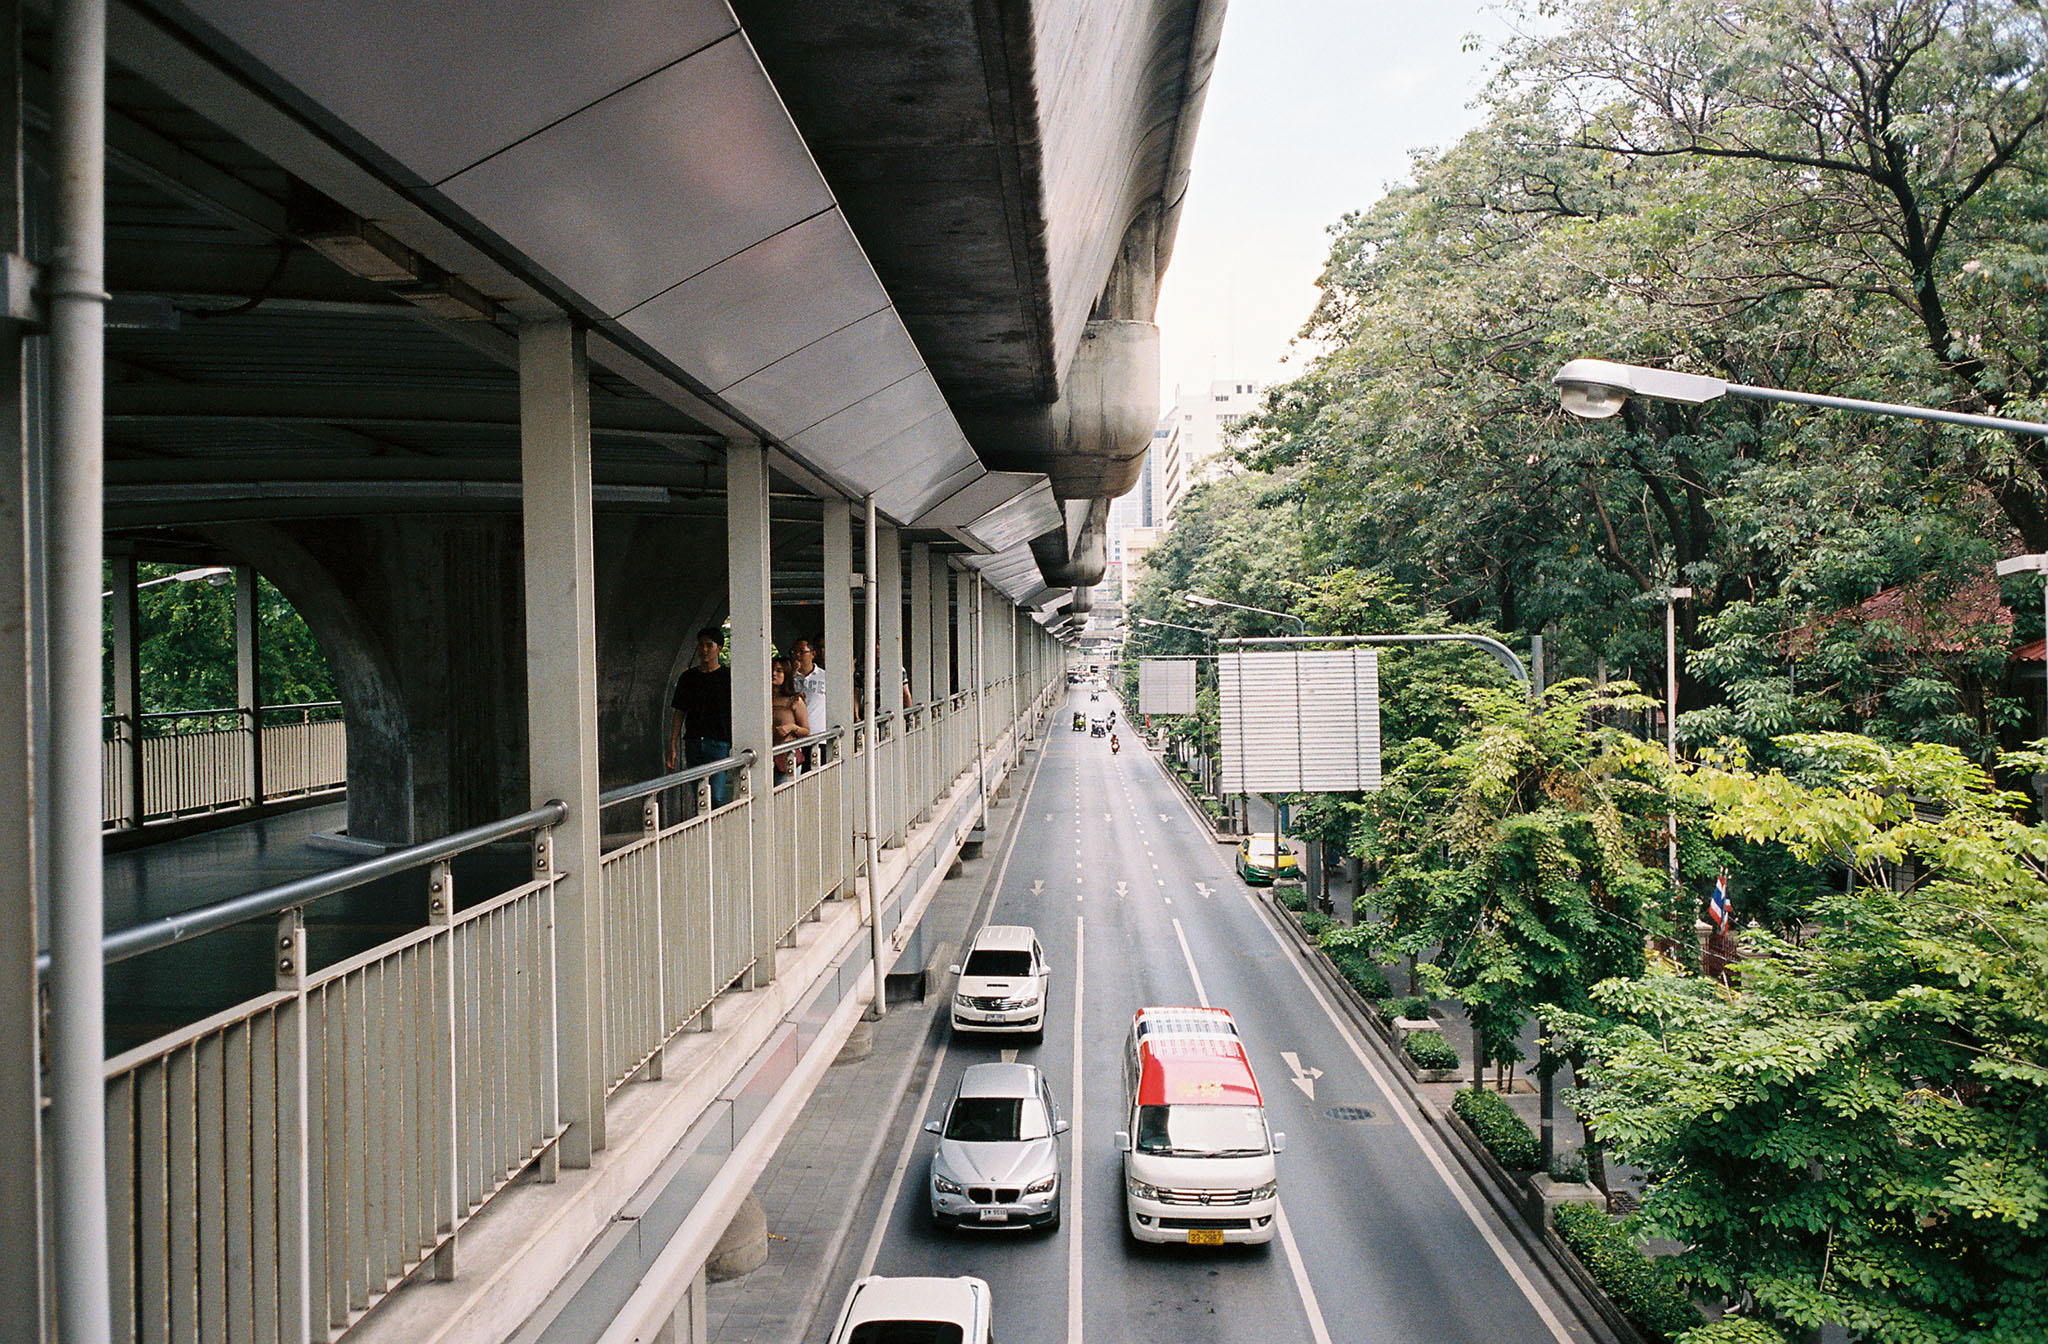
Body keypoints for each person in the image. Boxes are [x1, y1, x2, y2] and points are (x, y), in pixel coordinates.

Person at [668, 627, 733, 806]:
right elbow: (679, 711)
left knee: (717, 796)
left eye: (709, 645)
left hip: (719, 742)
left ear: (719, 648)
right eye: (701, 645)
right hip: (694, 742)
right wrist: (673, 744)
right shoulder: (688, 678)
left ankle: (720, 830)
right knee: (699, 796)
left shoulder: (727, 677)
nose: (704, 650)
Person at [771, 655, 811, 782]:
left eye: (779, 671)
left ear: (786, 674)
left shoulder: (795, 700)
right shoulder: (762, 700)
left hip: (786, 757)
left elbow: (806, 730)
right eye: (771, 669)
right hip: (764, 757)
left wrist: (791, 727)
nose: (773, 674)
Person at [792, 637, 827, 735]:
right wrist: (793, 674)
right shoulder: (789, 678)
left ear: (813, 654)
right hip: (796, 736)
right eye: (794, 651)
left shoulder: (825, 676)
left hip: (819, 735)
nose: (797, 655)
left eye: (802, 651)